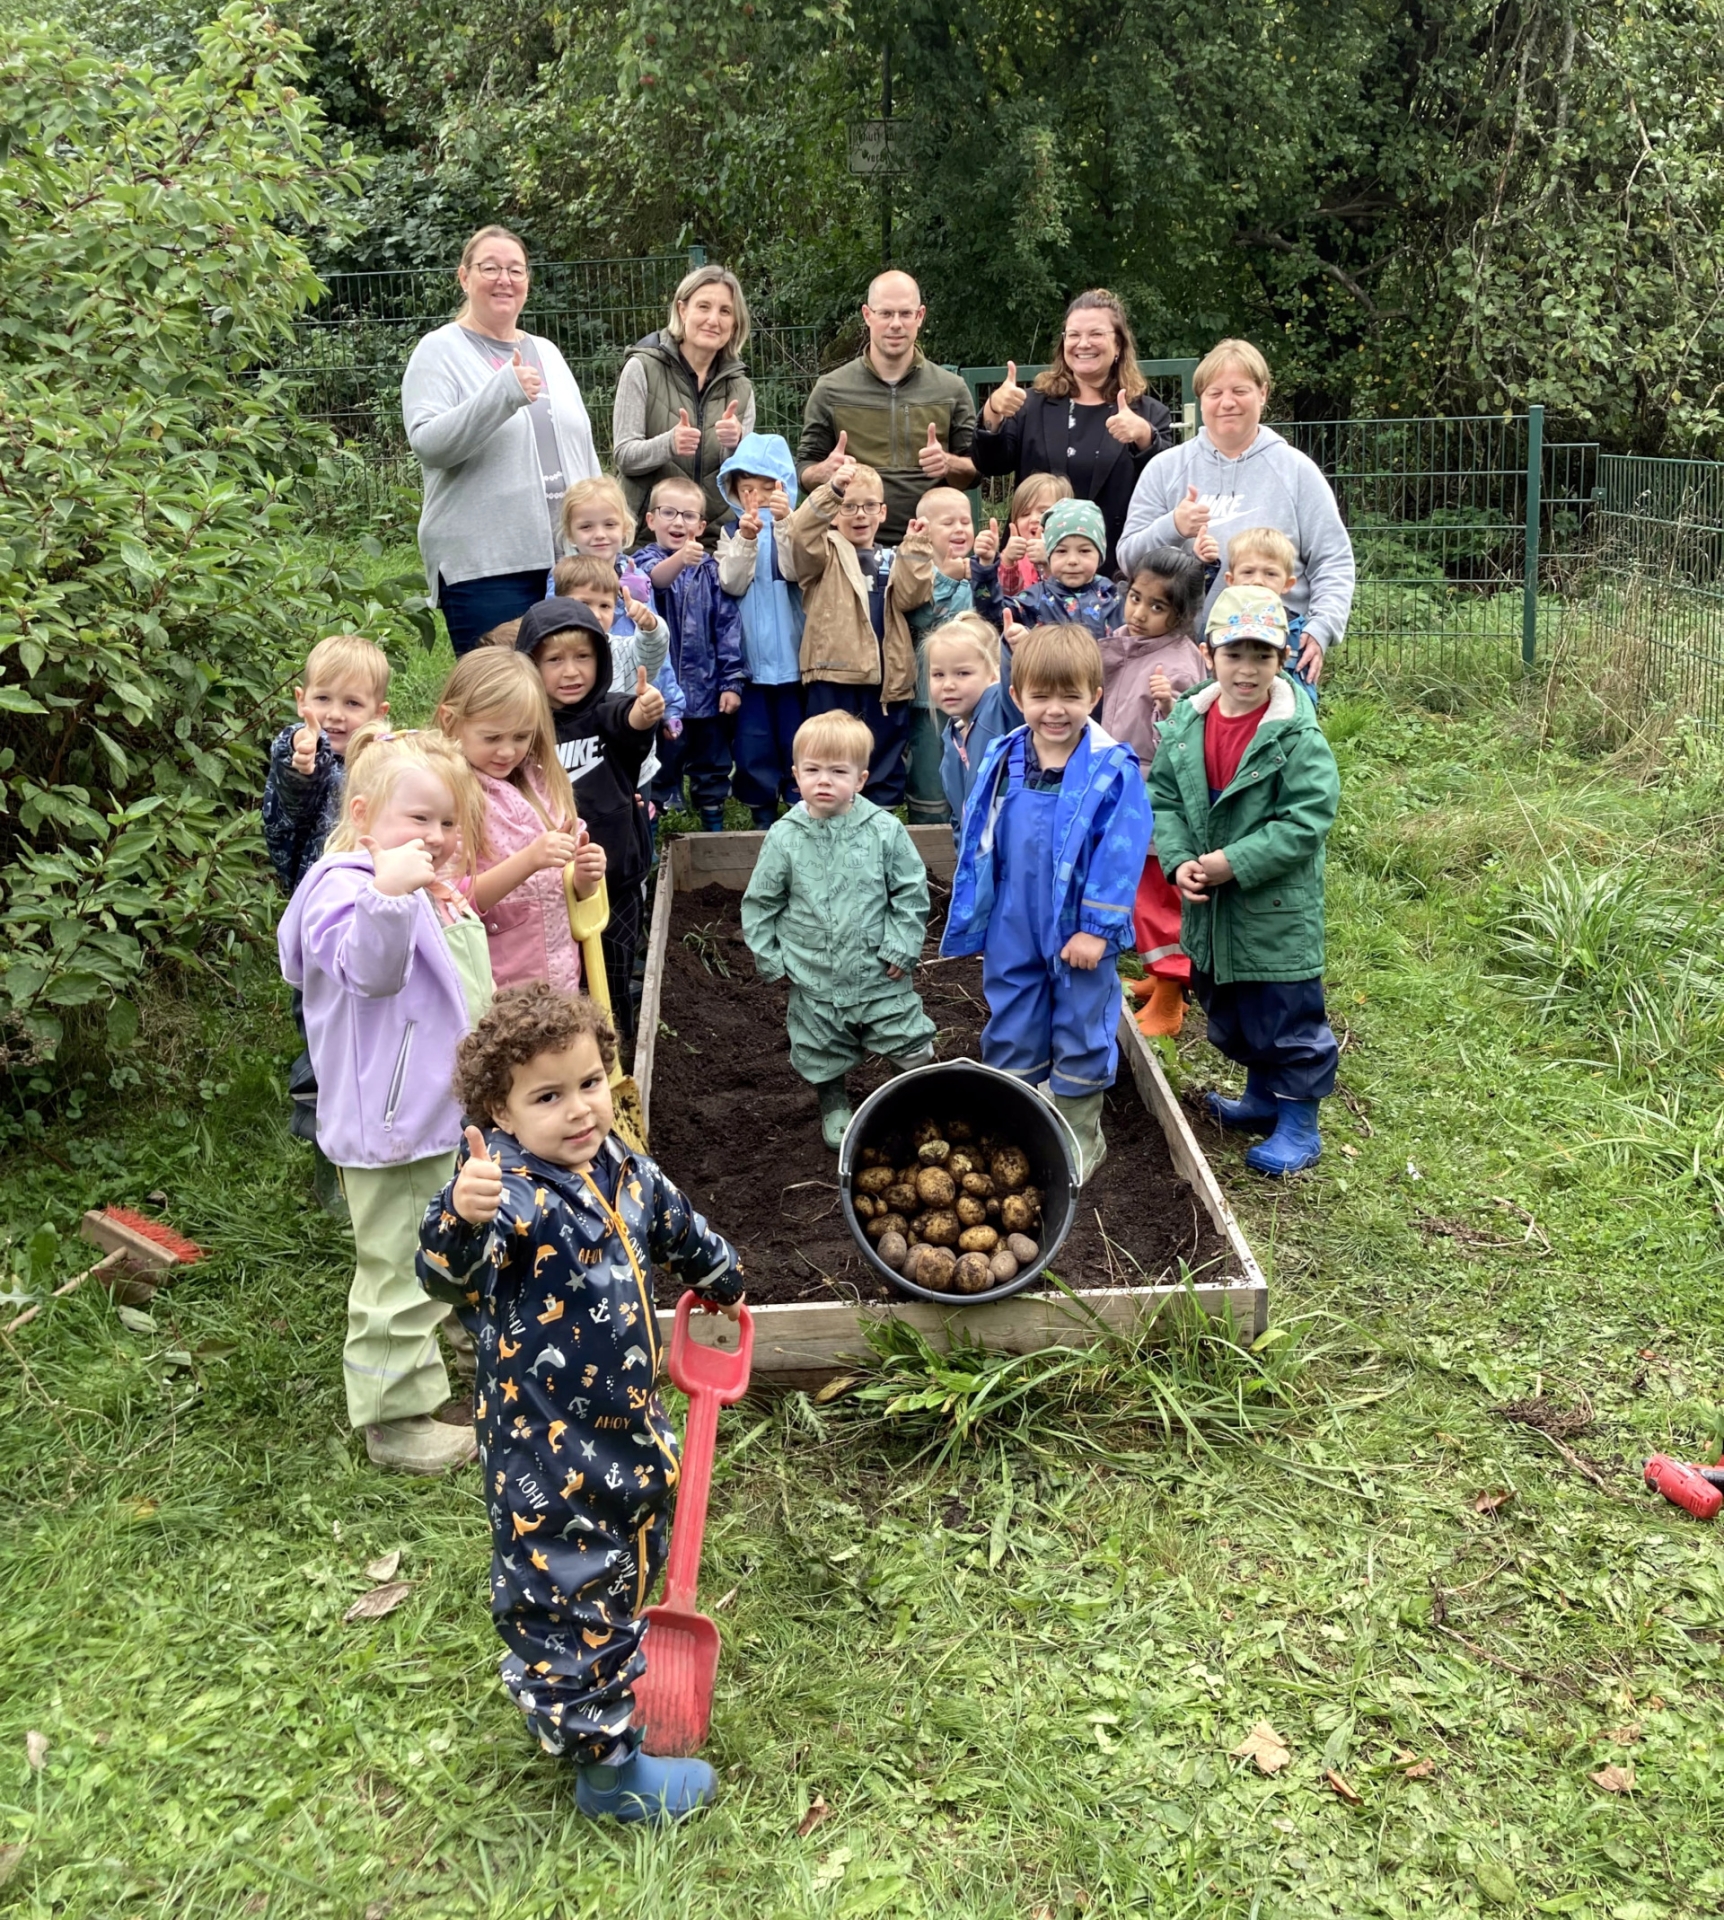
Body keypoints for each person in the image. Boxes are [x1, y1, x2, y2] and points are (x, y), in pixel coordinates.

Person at [417, 982, 744, 1824]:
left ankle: (614, 1668)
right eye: (548, 1097)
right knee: (568, 1593)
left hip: (628, 1427)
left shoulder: (620, 1167)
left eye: (591, 1083)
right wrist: (459, 1214)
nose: (579, 1111)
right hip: (545, 1455)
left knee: (630, 1557)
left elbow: (671, 1220)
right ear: (500, 1110)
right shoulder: (511, 1193)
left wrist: (719, 1273)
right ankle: (607, 1773)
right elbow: (446, 1269)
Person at [276, 724, 491, 1475]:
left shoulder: (414, 889)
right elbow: (368, 971)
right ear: (362, 816)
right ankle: (396, 1418)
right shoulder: (346, 890)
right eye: (417, 820)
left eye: (447, 822)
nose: (434, 837)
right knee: (402, 1268)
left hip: (437, 1116)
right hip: (392, 1125)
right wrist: (396, 894)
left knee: (456, 1242)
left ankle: (469, 1356)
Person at [940, 624, 1153, 1181]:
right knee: (1012, 1011)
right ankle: (1019, 1123)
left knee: (1082, 1020)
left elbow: (1122, 853)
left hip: (1078, 926)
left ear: (1095, 695)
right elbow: (980, 835)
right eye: (1040, 696)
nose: (1055, 710)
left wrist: (1095, 929)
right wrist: (978, 910)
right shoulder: (1004, 756)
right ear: (1016, 697)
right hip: (1015, 915)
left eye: (1071, 696)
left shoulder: (1112, 770)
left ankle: (1080, 1135)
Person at [1148, 586, 1340, 1176]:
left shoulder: (1295, 736)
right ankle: (1261, 1100)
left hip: (1273, 907)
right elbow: (1165, 799)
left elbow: (1306, 819)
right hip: (1212, 906)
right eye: (1235, 654)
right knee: (1229, 1005)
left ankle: (1299, 1122)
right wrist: (1179, 859)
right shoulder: (1188, 723)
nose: (1248, 669)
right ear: (1209, 655)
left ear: (1281, 660)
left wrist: (1236, 861)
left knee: (1283, 1013)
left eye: (1262, 655)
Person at [402, 226, 601, 657]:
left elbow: (583, 451)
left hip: (566, 562)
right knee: (502, 704)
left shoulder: (547, 352)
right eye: (490, 268)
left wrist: (605, 536)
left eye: (515, 270)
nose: (504, 279)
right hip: (488, 569)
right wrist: (503, 392)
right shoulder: (438, 351)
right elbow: (429, 444)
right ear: (464, 277)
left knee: (568, 702)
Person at [740, 712, 936, 1149]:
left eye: (838, 771)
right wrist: (772, 959)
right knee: (820, 1047)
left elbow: (910, 890)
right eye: (812, 770)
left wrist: (902, 945)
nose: (823, 781)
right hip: (815, 974)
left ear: (861, 779)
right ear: (795, 775)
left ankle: (912, 1096)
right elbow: (760, 903)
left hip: (879, 970)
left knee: (907, 1038)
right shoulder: (784, 837)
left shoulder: (884, 831)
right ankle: (834, 1104)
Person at [1117, 339, 1355, 692]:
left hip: (1273, 653)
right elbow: (1128, 559)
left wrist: (1321, 629)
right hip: (1182, 652)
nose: (1227, 402)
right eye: (1214, 393)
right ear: (1201, 400)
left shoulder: (1297, 471)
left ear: (1263, 393)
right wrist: (1172, 526)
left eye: (1239, 390)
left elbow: (1333, 560)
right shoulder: (1164, 469)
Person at [517, 599, 666, 1048]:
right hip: (546, 889)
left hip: (614, 882)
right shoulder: (524, 728)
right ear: (530, 665)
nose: (571, 671)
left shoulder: (606, 711)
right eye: (555, 660)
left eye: (583, 657)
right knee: (562, 985)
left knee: (614, 979)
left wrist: (646, 711)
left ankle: (616, 1060)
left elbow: (631, 720)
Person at [435, 649, 607, 994]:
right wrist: (528, 861)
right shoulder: (447, 798)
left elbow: (573, 886)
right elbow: (447, 902)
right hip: (498, 989)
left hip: (559, 976)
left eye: (521, 736)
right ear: (450, 720)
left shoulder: (542, 782)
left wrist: (586, 876)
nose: (508, 752)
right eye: (492, 737)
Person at [971, 291, 1174, 575]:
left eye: (1096, 334)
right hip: (1032, 574)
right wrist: (992, 411)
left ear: (1118, 345)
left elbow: (1166, 486)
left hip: (1112, 574)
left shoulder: (1149, 414)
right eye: (1073, 334)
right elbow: (989, 464)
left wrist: (1144, 437)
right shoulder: (1031, 405)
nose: (1083, 343)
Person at [1099, 548, 1208, 1039]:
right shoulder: (1131, 643)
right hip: (1125, 783)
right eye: (1135, 597)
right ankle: (1157, 975)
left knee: (1157, 894)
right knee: (1136, 887)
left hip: (1155, 795)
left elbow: (1186, 747)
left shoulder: (1179, 669)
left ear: (1181, 616)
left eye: (1156, 607)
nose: (1138, 613)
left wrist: (1169, 707)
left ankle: (1170, 995)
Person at [786, 456, 934, 806]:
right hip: (834, 675)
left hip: (886, 680)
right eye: (849, 506)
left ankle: (880, 819)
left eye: (869, 506)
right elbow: (800, 531)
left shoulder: (894, 556)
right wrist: (831, 490)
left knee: (883, 754)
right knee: (829, 750)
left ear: (883, 512)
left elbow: (913, 597)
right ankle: (826, 814)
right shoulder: (823, 555)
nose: (860, 515)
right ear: (835, 512)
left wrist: (915, 550)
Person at [796, 270, 978, 545]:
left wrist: (948, 463)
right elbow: (803, 471)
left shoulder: (951, 389)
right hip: (852, 549)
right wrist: (824, 472)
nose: (896, 324)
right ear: (867, 315)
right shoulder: (830, 389)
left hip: (932, 549)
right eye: (886, 314)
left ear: (920, 316)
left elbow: (975, 472)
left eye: (905, 314)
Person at [634, 475, 743, 831]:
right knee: (658, 769)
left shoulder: (711, 571)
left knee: (712, 766)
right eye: (668, 513)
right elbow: (656, 581)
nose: (678, 522)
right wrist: (681, 559)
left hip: (708, 693)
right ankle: (650, 835)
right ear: (651, 520)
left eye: (689, 515)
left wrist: (731, 682)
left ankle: (713, 826)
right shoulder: (640, 564)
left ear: (702, 525)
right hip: (661, 697)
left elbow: (727, 629)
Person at [611, 263, 756, 530]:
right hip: (647, 541)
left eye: (725, 311)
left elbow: (744, 480)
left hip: (715, 541)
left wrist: (736, 446)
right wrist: (669, 444)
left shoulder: (741, 388)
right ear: (682, 309)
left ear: (735, 324)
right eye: (703, 306)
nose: (713, 320)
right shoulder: (642, 368)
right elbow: (624, 456)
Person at [715, 432, 805, 828]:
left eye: (766, 488)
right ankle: (762, 815)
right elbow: (731, 583)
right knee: (753, 743)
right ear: (733, 490)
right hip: (750, 664)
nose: (756, 498)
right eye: (746, 488)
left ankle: (801, 806)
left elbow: (796, 570)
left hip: (793, 661)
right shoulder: (730, 534)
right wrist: (747, 540)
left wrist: (784, 525)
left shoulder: (798, 527)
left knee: (797, 739)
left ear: (783, 486)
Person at [904, 485, 979, 827]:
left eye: (966, 521)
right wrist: (947, 580)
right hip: (927, 701)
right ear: (924, 529)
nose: (961, 529)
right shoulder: (918, 572)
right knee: (929, 778)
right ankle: (927, 845)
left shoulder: (978, 573)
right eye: (949, 522)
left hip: (975, 700)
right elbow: (920, 620)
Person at [927, 612, 1021, 841]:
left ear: (994, 674)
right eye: (938, 674)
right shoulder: (952, 734)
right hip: (977, 864)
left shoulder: (1000, 710)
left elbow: (1018, 686)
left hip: (1012, 856)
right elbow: (959, 815)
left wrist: (1015, 652)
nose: (948, 684)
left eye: (963, 673)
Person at [974, 499, 1119, 639]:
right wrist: (986, 566)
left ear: (1100, 554)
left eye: (1084, 551)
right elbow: (992, 616)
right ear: (1048, 555)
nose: (1073, 560)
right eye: (1062, 551)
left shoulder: (1113, 596)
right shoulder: (1036, 598)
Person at [992, 473, 1073, 599]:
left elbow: (1067, 598)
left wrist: (1048, 565)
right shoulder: (1013, 557)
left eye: (1043, 512)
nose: (1034, 519)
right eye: (1025, 514)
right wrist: (1008, 562)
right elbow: (1003, 598)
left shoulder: (1073, 554)